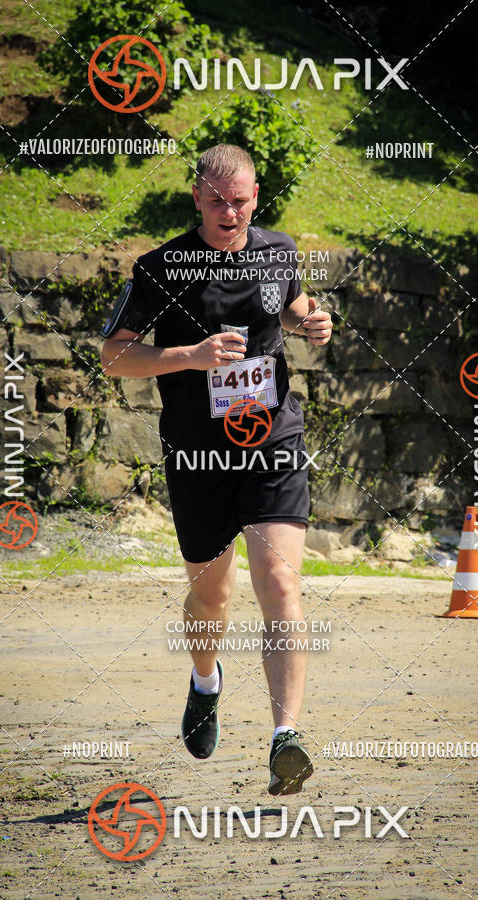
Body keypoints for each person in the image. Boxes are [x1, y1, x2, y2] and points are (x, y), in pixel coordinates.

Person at [101, 143, 332, 795]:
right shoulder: (160, 268)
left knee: (279, 583)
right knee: (212, 596)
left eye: (240, 201)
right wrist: (191, 356)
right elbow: (114, 357)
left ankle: (285, 736)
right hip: (198, 453)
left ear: (256, 196)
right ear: (196, 199)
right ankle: (206, 682)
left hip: (271, 439)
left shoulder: (279, 250)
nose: (229, 213)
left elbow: (290, 305)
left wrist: (312, 322)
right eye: (216, 202)